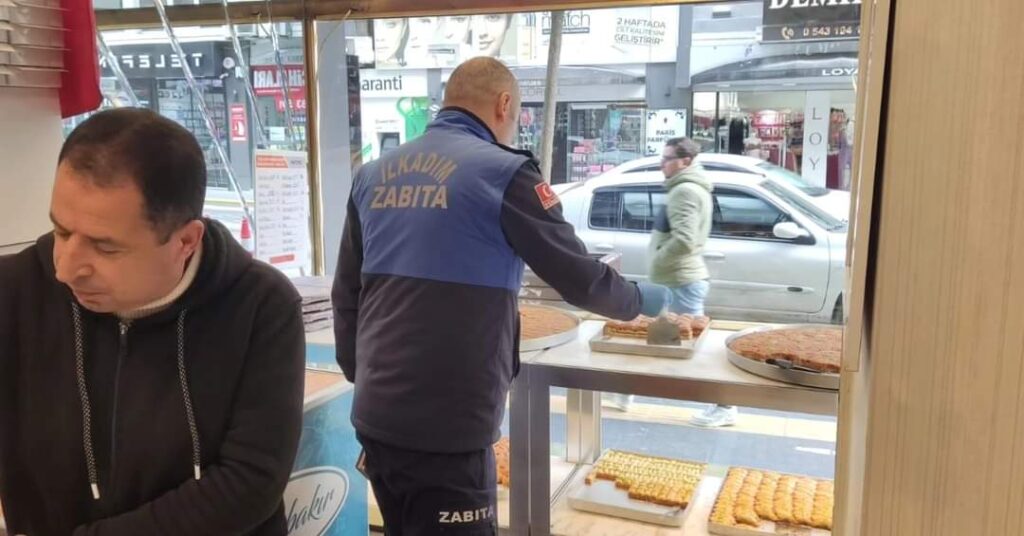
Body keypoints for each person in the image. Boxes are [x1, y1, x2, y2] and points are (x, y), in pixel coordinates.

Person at [332, 57, 669, 535]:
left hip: (376, 417)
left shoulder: (373, 174)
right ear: (504, 104)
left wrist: (369, 380)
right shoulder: (504, 173)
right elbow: (578, 277)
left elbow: (346, 295)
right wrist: (640, 300)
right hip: (448, 425)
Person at [0, 108, 306, 535]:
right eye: (62, 232)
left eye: (105, 248)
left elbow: (250, 482)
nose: (66, 270)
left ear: (185, 241)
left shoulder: (260, 306)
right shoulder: (14, 292)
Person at [649, 137, 738, 428]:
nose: (661, 164)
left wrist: (660, 257)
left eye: (667, 158)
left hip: (680, 280)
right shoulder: (688, 187)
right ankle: (626, 394)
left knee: (694, 350)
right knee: (658, 340)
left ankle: (725, 404)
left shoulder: (684, 191)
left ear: (684, 161)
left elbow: (685, 240)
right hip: (677, 279)